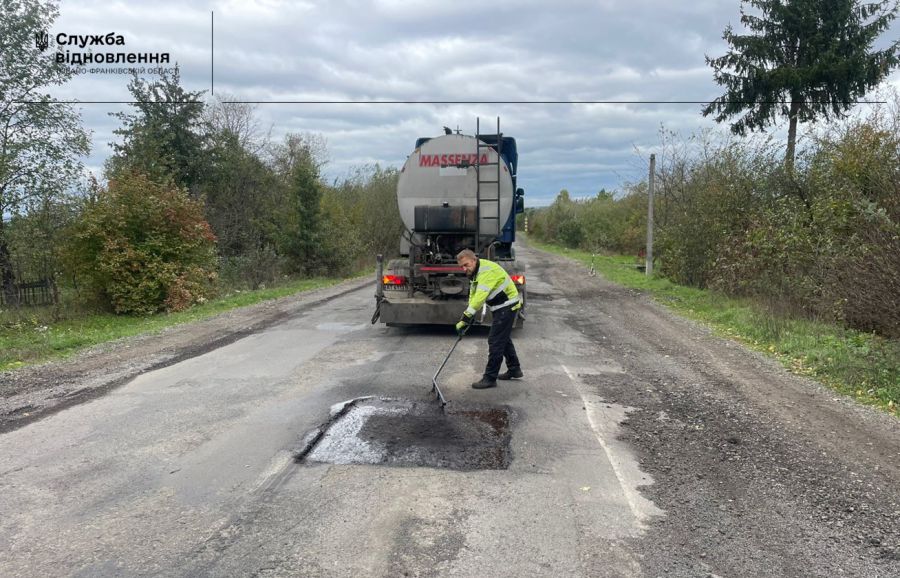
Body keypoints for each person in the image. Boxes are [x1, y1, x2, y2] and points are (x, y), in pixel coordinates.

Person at [454, 249, 524, 389]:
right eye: (462, 266)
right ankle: (514, 369)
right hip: (500, 307)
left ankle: (490, 378)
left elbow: (480, 296)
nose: (464, 268)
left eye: (466, 265)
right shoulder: (475, 272)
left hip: (507, 306)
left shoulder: (486, 271)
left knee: (495, 340)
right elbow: (473, 295)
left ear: (474, 260)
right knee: (503, 338)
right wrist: (470, 313)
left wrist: (466, 317)